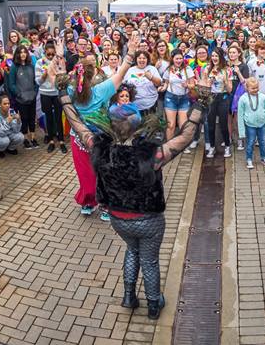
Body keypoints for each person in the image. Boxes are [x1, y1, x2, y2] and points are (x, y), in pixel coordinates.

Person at [59, 66, 202, 320]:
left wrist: (64, 97)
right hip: (148, 221)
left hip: (118, 218)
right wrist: (200, 105)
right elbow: (185, 137)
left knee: (132, 251)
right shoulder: (151, 155)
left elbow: (77, 124)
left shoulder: (101, 150)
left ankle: (128, 296)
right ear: (137, 125)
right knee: (149, 260)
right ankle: (154, 304)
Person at [70, 32, 140, 219]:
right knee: (98, 172)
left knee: (89, 173)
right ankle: (92, 202)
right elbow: (122, 71)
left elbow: (54, 79)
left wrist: (60, 58)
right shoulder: (99, 90)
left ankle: (100, 203)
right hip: (89, 139)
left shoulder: (71, 90)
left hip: (88, 138)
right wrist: (131, 52)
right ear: (93, 77)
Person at [5, 45, 39, 149]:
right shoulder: (14, 66)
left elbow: (36, 81)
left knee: (32, 117)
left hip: (31, 96)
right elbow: (11, 84)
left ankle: (33, 137)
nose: (23, 54)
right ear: (18, 54)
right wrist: (19, 94)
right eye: (21, 52)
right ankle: (25, 138)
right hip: (21, 98)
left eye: (25, 52)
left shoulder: (31, 65)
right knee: (24, 118)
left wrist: (34, 92)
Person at [237, 76, 265, 169]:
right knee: (250, 142)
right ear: (247, 88)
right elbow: (240, 115)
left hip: (262, 124)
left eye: (257, 87)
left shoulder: (263, 97)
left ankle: (264, 157)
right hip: (250, 125)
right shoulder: (242, 99)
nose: (255, 89)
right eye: (253, 88)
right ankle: (249, 159)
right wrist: (241, 131)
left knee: (263, 141)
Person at [203, 48, 233, 158]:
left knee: (223, 124)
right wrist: (208, 83)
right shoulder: (207, 69)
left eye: (217, 56)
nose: (215, 58)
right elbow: (204, 88)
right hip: (211, 97)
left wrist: (225, 81)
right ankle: (212, 147)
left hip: (223, 97)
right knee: (210, 125)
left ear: (221, 57)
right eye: (213, 56)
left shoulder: (227, 70)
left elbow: (230, 90)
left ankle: (227, 146)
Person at [162, 51, 196, 144]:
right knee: (171, 125)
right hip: (170, 98)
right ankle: (169, 146)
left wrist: (187, 85)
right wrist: (162, 88)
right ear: (172, 59)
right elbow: (166, 83)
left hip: (184, 98)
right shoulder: (168, 69)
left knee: (183, 125)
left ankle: (181, 146)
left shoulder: (187, 69)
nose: (179, 60)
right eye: (177, 58)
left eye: (180, 58)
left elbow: (193, 85)